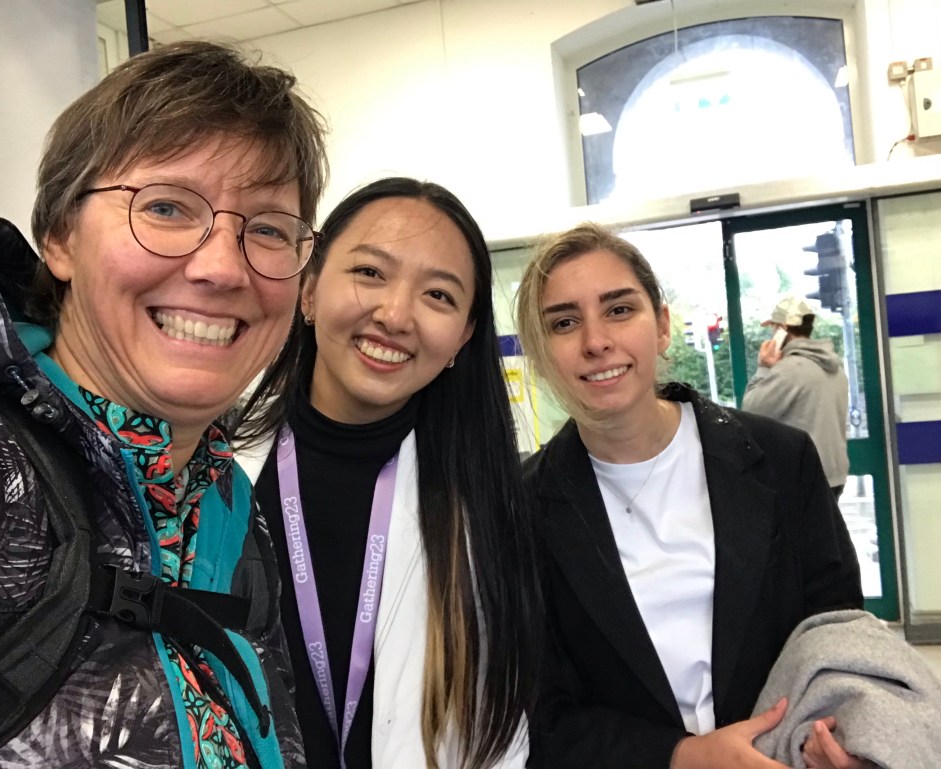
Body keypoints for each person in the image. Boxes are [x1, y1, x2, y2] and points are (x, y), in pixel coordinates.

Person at [0, 41, 328, 768]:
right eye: (166, 207)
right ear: (60, 235)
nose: (222, 266)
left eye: (269, 229)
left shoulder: (227, 507)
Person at [513, 223, 866, 769]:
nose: (595, 341)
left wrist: (838, 741)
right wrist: (682, 755)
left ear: (661, 326)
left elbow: (840, 637)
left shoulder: (780, 460)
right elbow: (538, 711)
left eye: (619, 310)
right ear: (539, 356)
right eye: (564, 322)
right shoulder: (520, 508)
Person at [235, 177, 537, 769]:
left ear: (463, 337)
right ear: (309, 290)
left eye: (439, 296)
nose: (395, 315)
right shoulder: (207, 468)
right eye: (370, 272)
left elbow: (501, 732)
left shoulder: (489, 506)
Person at [742, 296, 850, 500]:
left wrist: (764, 368)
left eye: (773, 328)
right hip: (834, 474)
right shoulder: (835, 367)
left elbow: (751, 410)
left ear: (782, 329)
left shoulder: (790, 369)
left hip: (803, 477)